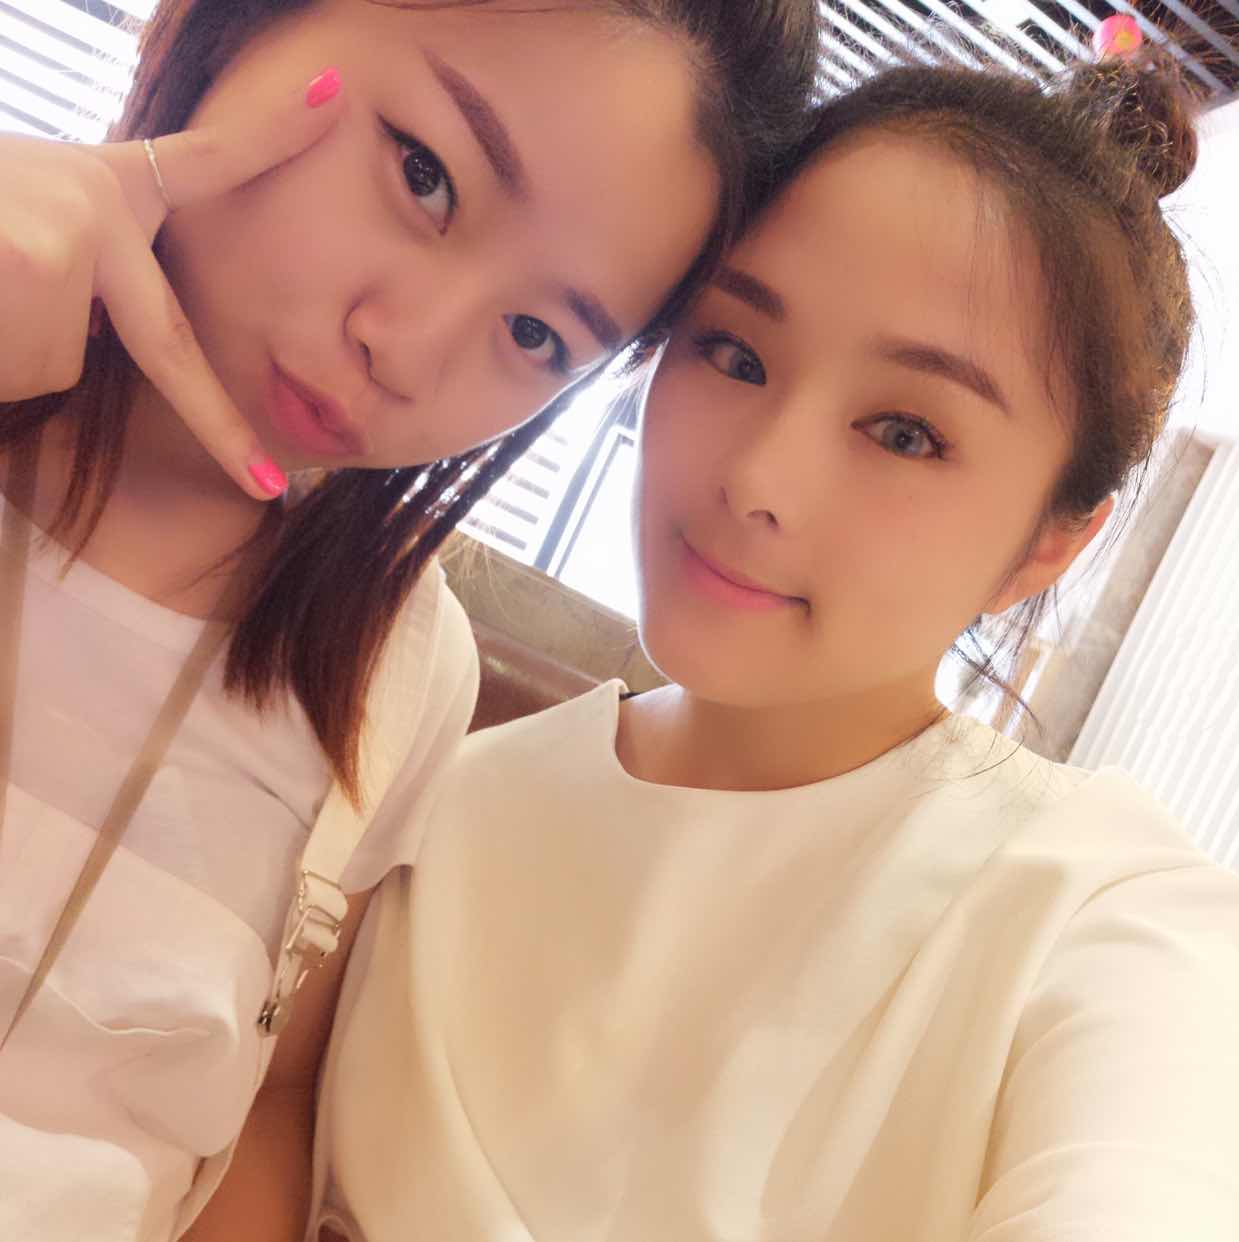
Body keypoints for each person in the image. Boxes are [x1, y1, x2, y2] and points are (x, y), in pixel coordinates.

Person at [311, 51, 1239, 1242]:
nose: (759, 478)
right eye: (735, 354)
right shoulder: (433, 790)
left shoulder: (1098, 918)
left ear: (1052, 543)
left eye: (905, 433)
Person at [0, 2, 822, 1239]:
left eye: (537, 335)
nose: (409, 350)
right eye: (426, 175)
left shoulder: (396, 671)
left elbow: (264, 1098)